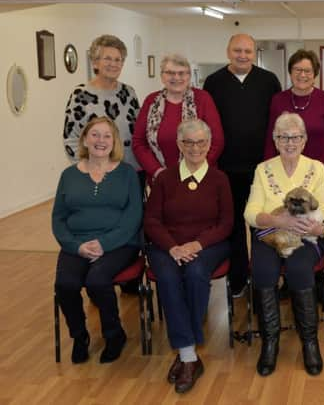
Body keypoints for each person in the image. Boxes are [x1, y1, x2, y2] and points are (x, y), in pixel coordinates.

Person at [144, 119, 232, 394]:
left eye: (201, 142)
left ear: (209, 145)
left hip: (208, 245)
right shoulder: (164, 178)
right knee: (168, 278)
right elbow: (152, 221)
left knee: (195, 274)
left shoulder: (219, 179)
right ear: (180, 145)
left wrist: (197, 244)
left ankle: (186, 352)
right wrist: (172, 247)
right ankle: (189, 356)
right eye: (189, 142)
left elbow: (226, 223)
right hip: (166, 246)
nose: (195, 148)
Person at [244, 113, 324, 377]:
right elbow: (251, 211)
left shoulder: (317, 168)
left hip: (305, 236)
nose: (290, 142)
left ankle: (309, 343)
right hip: (270, 233)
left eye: (295, 137)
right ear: (275, 140)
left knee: (299, 270)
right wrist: (275, 220)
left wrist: (320, 227)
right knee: (263, 271)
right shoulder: (263, 169)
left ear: (304, 140)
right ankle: (270, 342)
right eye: (283, 137)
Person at [52, 117, 142, 364]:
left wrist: (105, 244)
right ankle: (80, 337)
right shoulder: (68, 175)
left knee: (97, 280)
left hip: (119, 243)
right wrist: (76, 246)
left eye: (106, 136)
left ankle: (114, 336)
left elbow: (133, 217)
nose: (100, 141)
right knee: (65, 284)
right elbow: (58, 218)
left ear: (114, 142)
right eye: (95, 135)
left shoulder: (127, 174)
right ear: (84, 139)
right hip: (77, 244)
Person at [203, 34, 282, 297]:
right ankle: (238, 278)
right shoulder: (213, 82)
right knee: (234, 226)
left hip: (263, 170)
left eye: (248, 51)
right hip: (225, 170)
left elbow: (276, 122)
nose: (242, 55)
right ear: (228, 51)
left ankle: (265, 278)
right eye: (237, 50)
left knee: (264, 225)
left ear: (254, 53)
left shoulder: (268, 80)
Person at [133, 53, 224, 181]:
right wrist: (157, 171)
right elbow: (139, 142)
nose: (176, 77)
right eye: (170, 73)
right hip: (160, 178)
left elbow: (216, 141)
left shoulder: (203, 99)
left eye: (182, 73)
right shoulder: (151, 101)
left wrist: (194, 170)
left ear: (189, 76)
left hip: (199, 177)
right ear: (162, 76)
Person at [264, 49, 324, 188]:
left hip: (318, 171)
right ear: (290, 72)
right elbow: (271, 137)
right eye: (297, 70)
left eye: (308, 70)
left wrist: (318, 166)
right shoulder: (278, 100)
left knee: (316, 209)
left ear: (315, 74)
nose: (302, 75)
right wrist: (269, 169)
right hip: (284, 171)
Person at [63, 34, 140, 169]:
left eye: (118, 60)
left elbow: (138, 132)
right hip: (98, 173)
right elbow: (71, 139)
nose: (113, 64)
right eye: (108, 59)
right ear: (95, 62)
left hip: (132, 171)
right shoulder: (80, 95)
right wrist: (87, 169)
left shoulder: (129, 92)